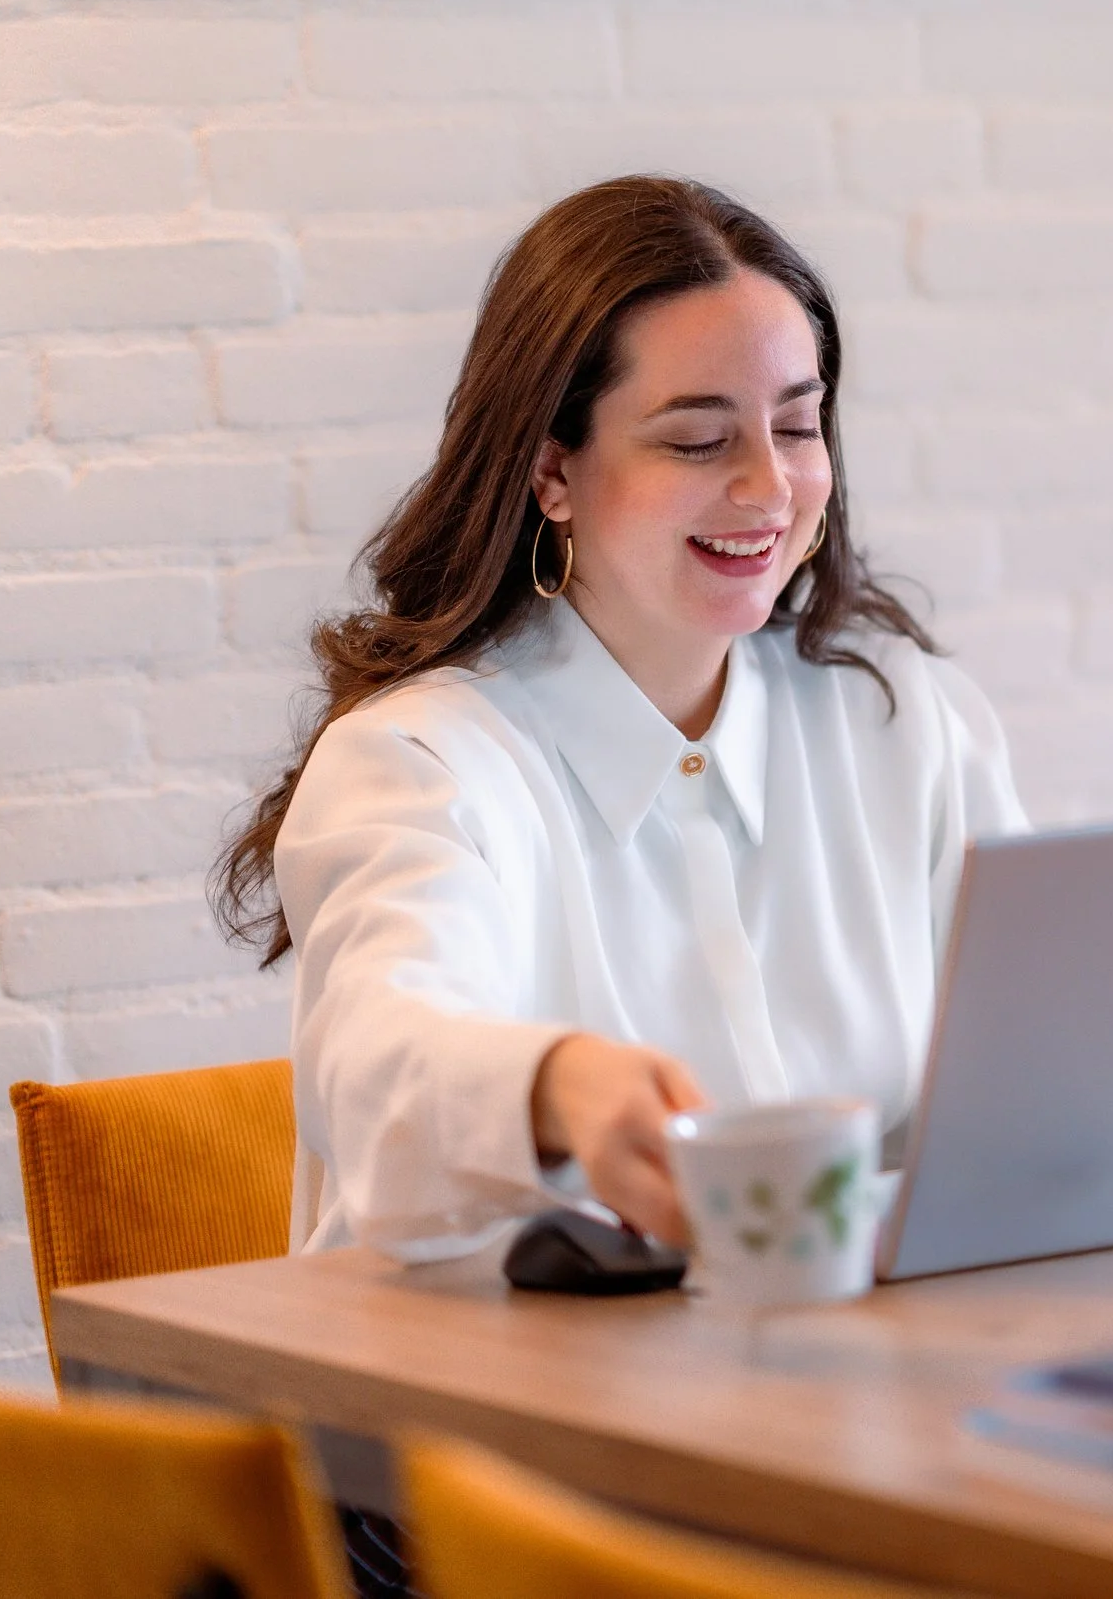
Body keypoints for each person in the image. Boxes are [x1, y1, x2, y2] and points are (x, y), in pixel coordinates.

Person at [212, 174, 1027, 1268]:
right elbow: (378, 1062)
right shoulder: (419, 763)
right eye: (697, 441)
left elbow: (1041, 1067)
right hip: (496, 1405)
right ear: (553, 469)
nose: (770, 487)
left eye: (796, 424)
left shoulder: (902, 721)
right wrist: (552, 1085)